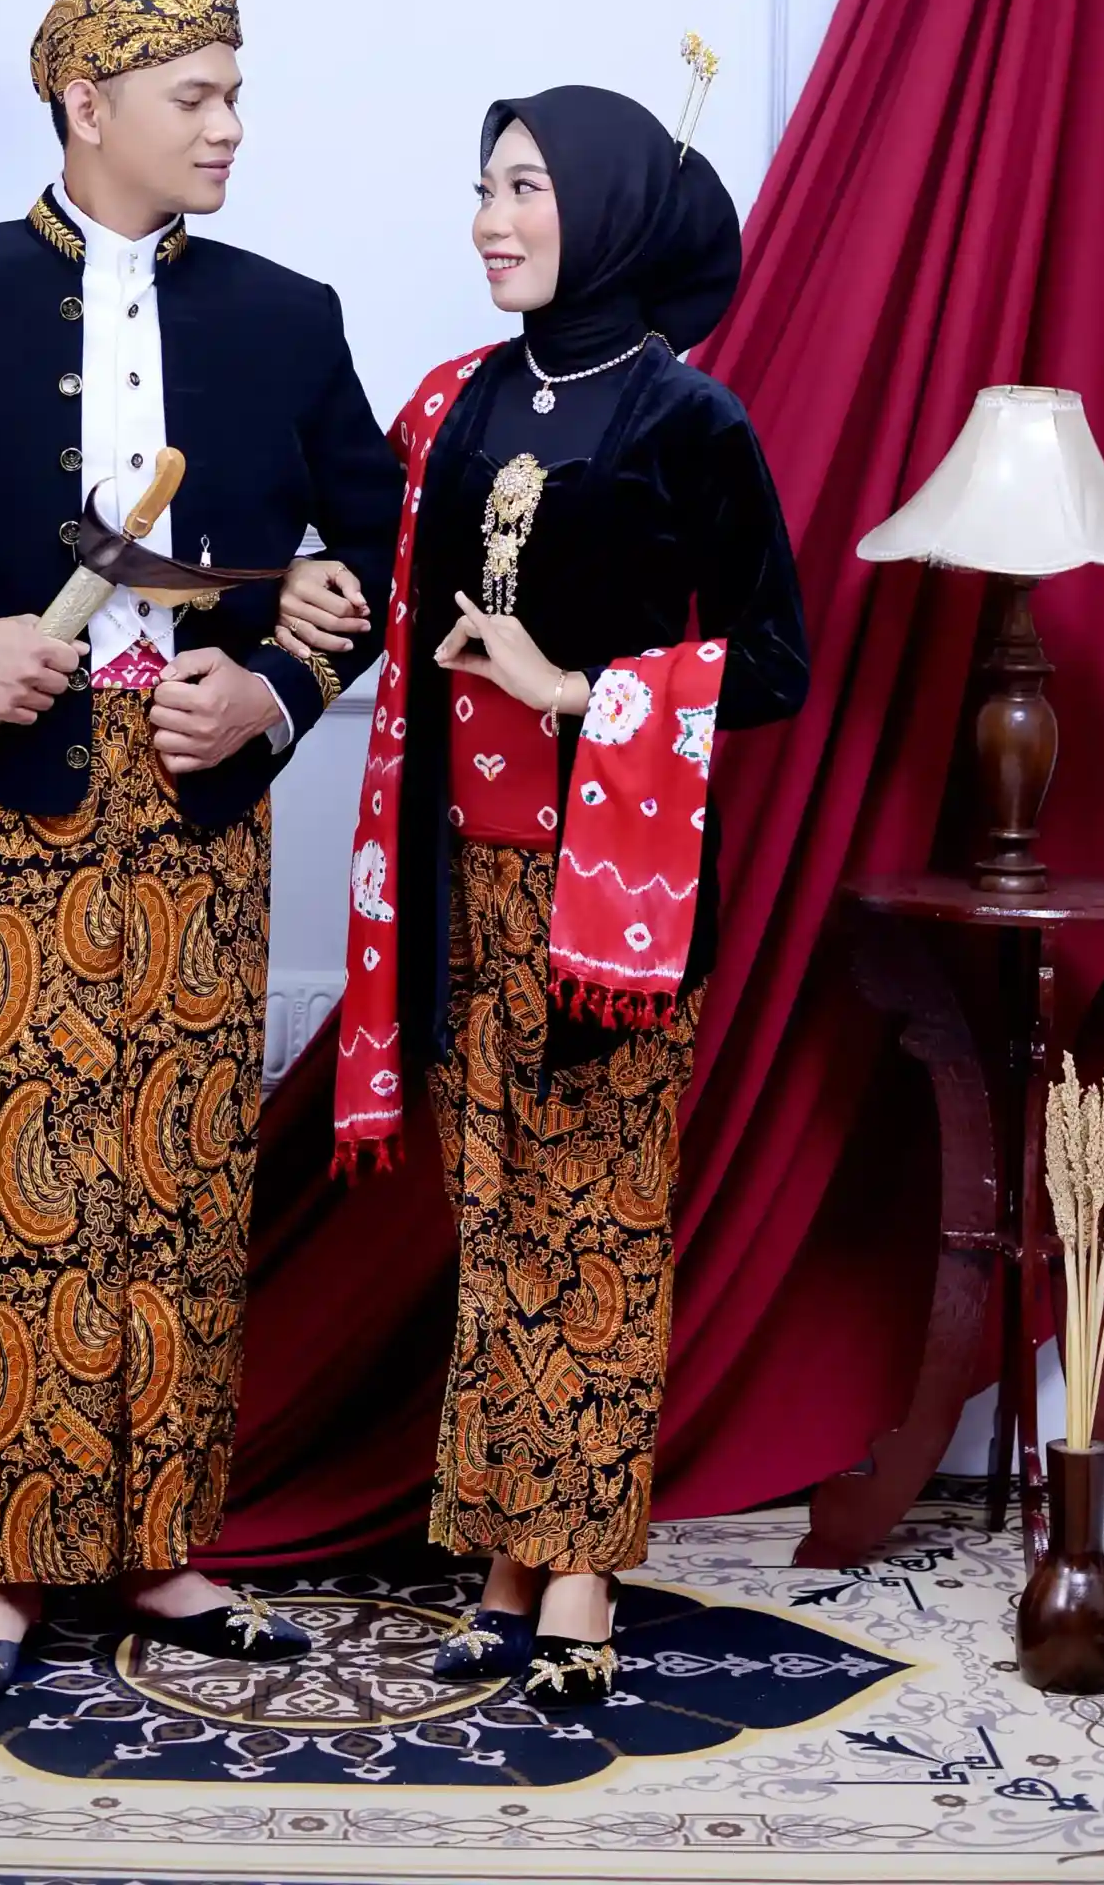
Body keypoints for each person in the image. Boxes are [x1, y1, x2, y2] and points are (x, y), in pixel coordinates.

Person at [0, 0, 402, 1701]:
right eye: (196, 94)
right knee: (13, 1187)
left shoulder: (287, 314)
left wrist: (273, 688)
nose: (229, 125)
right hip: (6, 802)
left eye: (235, 92)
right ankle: (2, 1569)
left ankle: (162, 1550)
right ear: (85, 104)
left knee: (181, 1184)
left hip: (199, 803)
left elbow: (375, 544)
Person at [275, 84, 808, 1709]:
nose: (488, 221)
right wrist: (291, 594)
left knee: (599, 1221)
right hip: (455, 889)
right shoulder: (449, 405)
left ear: (608, 210)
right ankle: (504, 1550)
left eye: (522, 189)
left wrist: (577, 689)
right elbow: (369, 588)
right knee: (499, 1221)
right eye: (482, 188)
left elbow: (773, 663)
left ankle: (576, 1565)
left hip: (607, 902)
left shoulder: (687, 419)